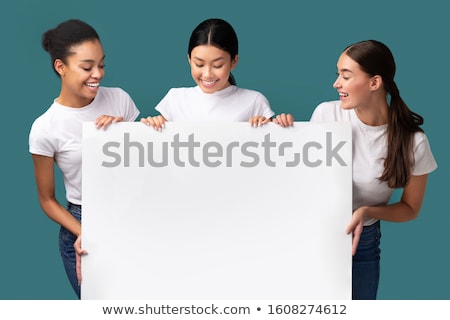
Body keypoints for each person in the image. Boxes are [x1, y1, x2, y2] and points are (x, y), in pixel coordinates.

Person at [306, 40, 437, 299]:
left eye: (346, 76)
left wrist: (366, 212)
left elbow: (410, 208)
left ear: (374, 83)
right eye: (337, 75)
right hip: (315, 234)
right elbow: (303, 178)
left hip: (362, 242)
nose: (336, 84)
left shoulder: (414, 142)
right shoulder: (326, 115)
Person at [28, 19, 140, 299]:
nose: (98, 74)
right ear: (60, 67)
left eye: (101, 65)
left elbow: (143, 166)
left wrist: (124, 132)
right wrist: (85, 232)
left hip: (130, 216)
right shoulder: (45, 127)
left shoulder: (120, 100)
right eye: (87, 67)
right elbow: (47, 200)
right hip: (82, 223)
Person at [141, 18, 277, 128]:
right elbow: (158, 148)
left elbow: (275, 149)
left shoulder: (254, 101)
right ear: (189, 59)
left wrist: (280, 125)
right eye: (199, 64)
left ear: (234, 62)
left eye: (217, 65)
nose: (207, 74)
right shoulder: (175, 99)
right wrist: (154, 125)